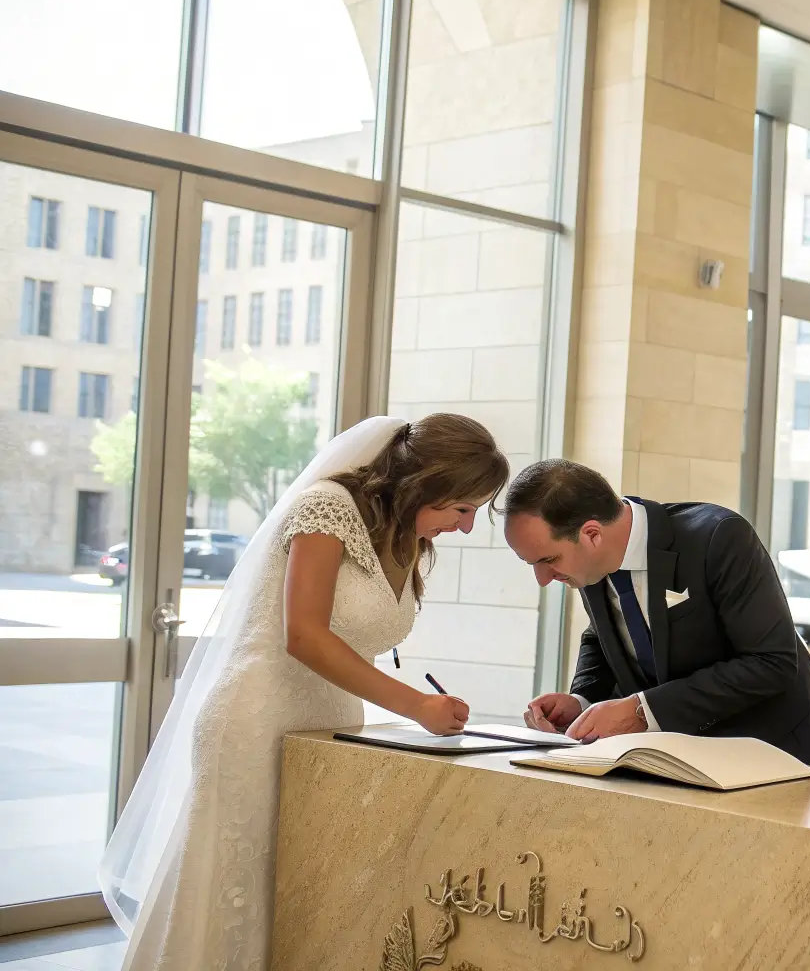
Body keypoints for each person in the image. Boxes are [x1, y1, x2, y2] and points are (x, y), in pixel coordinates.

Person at [99, 414, 510, 971]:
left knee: (304, 892)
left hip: (335, 723)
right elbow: (305, 635)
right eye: (463, 508)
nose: (465, 527)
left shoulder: (406, 537)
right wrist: (416, 706)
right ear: (429, 482)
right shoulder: (327, 505)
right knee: (234, 890)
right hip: (258, 715)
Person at [502, 459, 810, 768]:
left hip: (771, 757)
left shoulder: (719, 537)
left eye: (548, 561)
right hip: (674, 764)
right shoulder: (588, 562)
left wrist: (641, 711)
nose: (543, 579)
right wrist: (582, 699)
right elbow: (604, 635)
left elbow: (772, 662)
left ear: (592, 534)